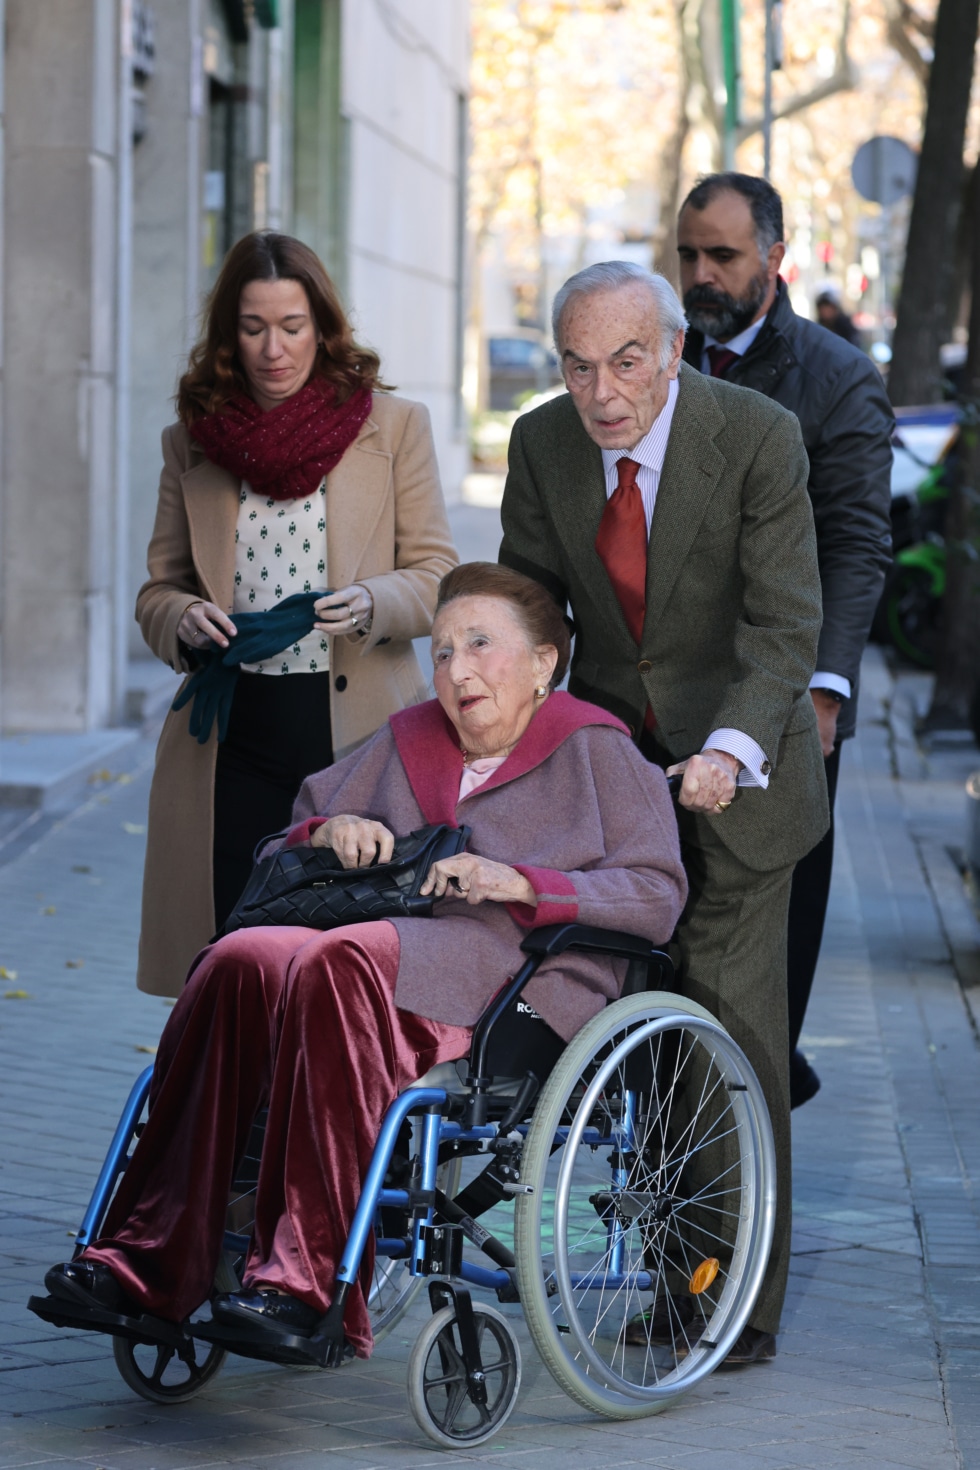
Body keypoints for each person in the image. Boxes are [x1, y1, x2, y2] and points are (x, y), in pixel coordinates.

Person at [44, 563, 687, 1361]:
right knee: (238, 957)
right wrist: (334, 830)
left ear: (545, 662)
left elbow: (656, 892)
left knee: (338, 961)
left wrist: (521, 881)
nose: (455, 668)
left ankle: (300, 1281)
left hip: (518, 975)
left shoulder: (597, 751)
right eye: (443, 650)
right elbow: (296, 831)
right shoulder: (409, 737)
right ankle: (145, 1258)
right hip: (387, 951)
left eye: (480, 644)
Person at [499, 260, 828, 1365]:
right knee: (629, 1045)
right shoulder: (543, 445)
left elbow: (784, 626)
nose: (602, 393)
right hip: (617, 786)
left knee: (727, 1044)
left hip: (741, 779)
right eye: (578, 365)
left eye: (626, 361)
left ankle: (731, 1305)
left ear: (673, 350)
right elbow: (532, 607)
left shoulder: (756, 437)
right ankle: (668, 1265)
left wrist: (729, 748)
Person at [135, 231, 457, 999]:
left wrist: (376, 601)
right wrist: (180, 617)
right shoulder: (191, 442)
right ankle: (239, 1116)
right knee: (234, 959)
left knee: (341, 962)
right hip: (230, 740)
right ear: (228, 336)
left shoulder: (393, 426)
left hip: (359, 742)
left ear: (323, 326)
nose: (273, 349)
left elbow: (440, 573)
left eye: (291, 327)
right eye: (253, 329)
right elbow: (157, 589)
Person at [676, 174, 893, 1107]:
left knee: (776, 940)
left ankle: (759, 1109)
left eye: (722, 256)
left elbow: (855, 544)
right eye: (688, 255)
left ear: (775, 257)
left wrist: (824, 692)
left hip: (788, 699)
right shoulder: (657, 358)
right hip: (667, 691)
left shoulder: (836, 377)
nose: (701, 275)